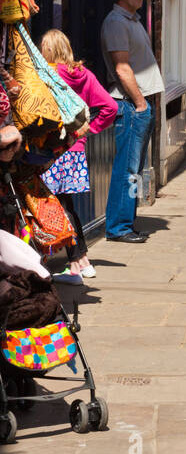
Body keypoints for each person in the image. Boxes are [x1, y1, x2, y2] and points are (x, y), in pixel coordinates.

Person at [40, 30, 118, 281]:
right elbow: (111, 107)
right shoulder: (82, 74)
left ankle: (75, 262)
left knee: (57, 207)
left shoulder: (45, 76)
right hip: (75, 150)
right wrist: (88, 129)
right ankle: (80, 261)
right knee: (66, 205)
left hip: (52, 150)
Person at [100, 0, 164, 243]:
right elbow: (121, 67)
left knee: (135, 170)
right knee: (127, 169)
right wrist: (140, 104)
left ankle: (128, 221)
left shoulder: (133, 20)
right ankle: (118, 227)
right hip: (129, 106)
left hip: (140, 105)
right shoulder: (116, 22)